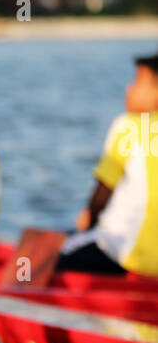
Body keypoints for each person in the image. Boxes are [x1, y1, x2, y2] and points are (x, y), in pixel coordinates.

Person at [56, 50, 158, 277]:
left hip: (127, 254)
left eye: (138, 82)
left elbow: (102, 192)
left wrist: (89, 219)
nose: (129, 89)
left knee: (41, 254)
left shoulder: (131, 126)